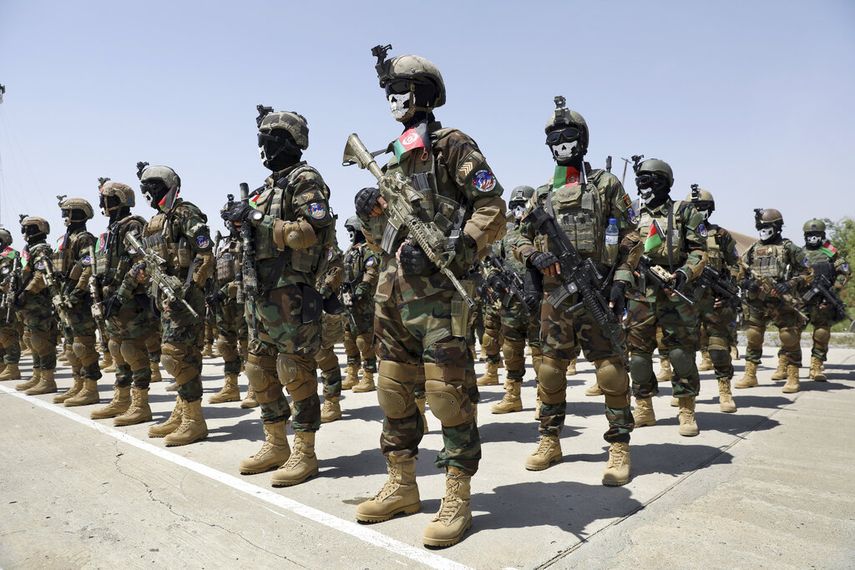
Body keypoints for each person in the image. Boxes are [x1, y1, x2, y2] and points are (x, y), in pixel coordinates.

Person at [353, 45, 506, 547]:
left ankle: (457, 492)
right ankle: (402, 484)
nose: (394, 99)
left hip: (442, 297)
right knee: (392, 391)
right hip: (392, 296)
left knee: (448, 396)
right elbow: (381, 238)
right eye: (389, 92)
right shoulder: (395, 155)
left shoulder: (452, 145)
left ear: (423, 94)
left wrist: (460, 246)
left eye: (401, 89)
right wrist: (370, 212)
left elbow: (491, 208)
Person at [512, 97, 634, 483]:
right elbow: (517, 233)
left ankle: (619, 445)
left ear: (582, 140)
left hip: (597, 290)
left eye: (569, 136)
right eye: (555, 138)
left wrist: (621, 280)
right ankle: (550, 439)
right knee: (549, 370)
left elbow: (633, 235)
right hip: (556, 297)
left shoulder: (605, 185)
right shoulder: (543, 192)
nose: (562, 143)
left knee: (612, 372)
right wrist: (532, 255)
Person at [225, 106, 335, 486]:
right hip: (261, 297)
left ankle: (305, 450)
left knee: (296, 373)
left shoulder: (305, 181)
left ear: (291, 142)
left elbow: (310, 232)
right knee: (258, 370)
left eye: (271, 141)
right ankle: (275, 442)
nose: (265, 149)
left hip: (292, 295)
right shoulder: (265, 190)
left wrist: (256, 220)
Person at [122, 162, 213, 445]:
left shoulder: (185, 213)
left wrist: (189, 288)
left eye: (152, 187)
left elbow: (205, 254)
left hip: (185, 299)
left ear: (166, 187)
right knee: (177, 358)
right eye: (144, 188)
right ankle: (182, 411)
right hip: (165, 300)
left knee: (178, 355)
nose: (147, 193)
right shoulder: (154, 223)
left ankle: (194, 421)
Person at [617, 158, 706, 436]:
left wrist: (683, 273)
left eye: (651, 180)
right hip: (640, 293)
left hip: (674, 291)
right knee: (639, 356)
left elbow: (699, 251)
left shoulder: (684, 211)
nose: (644, 186)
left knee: (681, 353)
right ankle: (644, 406)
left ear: (665, 183)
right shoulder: (630, 212)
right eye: (640, 180)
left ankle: (686, 407)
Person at [90, 180, 159, 424]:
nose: (102, 204)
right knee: (116, 349)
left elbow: (141, 264)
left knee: (132, 350)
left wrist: (120, 296)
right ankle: (121, 399)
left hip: (130, 302)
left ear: (117, 200)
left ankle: (141, 404)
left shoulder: (133, 225)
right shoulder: (110, 230)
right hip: (113, 302)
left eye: (106, 199)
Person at [735, 209, 812, 393]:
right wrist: (747, 283)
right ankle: (750, 374)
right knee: (753, 336)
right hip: (758, 301)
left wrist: (790, 283)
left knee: (789, 337)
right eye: (760, 226)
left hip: (782, 301)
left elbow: (808, 272)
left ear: (776, 227)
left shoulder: (789, 247)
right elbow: (738, 272)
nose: (763, 230)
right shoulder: (753, 249)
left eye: (767, 226)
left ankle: (793, 375)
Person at [484, 185, 543, 415]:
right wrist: (494, 279)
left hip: (536, 301)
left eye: (523, 205)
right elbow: (490, 262)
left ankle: (543, 398)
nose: (518, 210)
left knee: (539, 352)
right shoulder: (505, 235)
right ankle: (512, 395)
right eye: (514, 206)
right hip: (510, 303)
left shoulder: (541, 232)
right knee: (511, 351)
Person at [686, 186, 740, 412]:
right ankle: (686, 397)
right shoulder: (679, 235)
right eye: (695, 208)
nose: (699, 211)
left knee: (718, 348)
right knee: (684, 351)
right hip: (686, 300)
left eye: (704, 208)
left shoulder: (720, 235)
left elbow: (736, 265)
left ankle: (724, 389)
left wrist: (728, 290)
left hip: (715, 301)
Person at [50, 197, 102, 407]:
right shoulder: (66, 239)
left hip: (78, 300)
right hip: (65, 296)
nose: (64, 217)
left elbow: (88, 266)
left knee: (83, 345)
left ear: (77, 214)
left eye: (68, 212)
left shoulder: (84, 238)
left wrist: (77, 292)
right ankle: (78, 383)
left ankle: (90, 388)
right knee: (70, 345)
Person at [206, 201, 250, 405]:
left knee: (248, 345)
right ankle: (231, 386)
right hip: (224, 305)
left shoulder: (250, 242)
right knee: (225, 344)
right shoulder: (222, 244)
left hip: (244, 301)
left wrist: (225, 291)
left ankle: (255, 388)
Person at [800, 219, 850, 381]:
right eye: (809, 235)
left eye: (816, 235)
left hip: (823, 299)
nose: (812, 238)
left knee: (821, 332)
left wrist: (833, 291)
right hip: (801, 299)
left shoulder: (830, 252)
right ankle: (786, 363)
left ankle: (816, 365)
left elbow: (845, 272)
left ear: (822, 235)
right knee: (790, 332)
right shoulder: (800, 252)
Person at [15, 216, 58, 394]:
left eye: (28, 228)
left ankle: (47, 379)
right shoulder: (29, 249)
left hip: (38, 302)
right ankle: (37, 374)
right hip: (29, 304)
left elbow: (41, 274)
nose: (25, 232)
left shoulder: (41, 249)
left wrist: (27, 292)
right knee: (31, 339)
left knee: (41, 340)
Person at [341, 215, 379, 392]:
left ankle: (368, 376)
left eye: (351, 231)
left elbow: (371, 271)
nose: (350, 234)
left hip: (363, 301)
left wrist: (362, 288)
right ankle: (352, 373)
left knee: (364, 339)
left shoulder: (367, 250)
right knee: (348, 337)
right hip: (348, 299)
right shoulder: (350, 250)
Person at [0, 230, 23, 381]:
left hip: (4, 300)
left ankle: (12, 367)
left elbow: (8, 279)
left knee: (8, 334)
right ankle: (2, 365)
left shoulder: (9, 255)